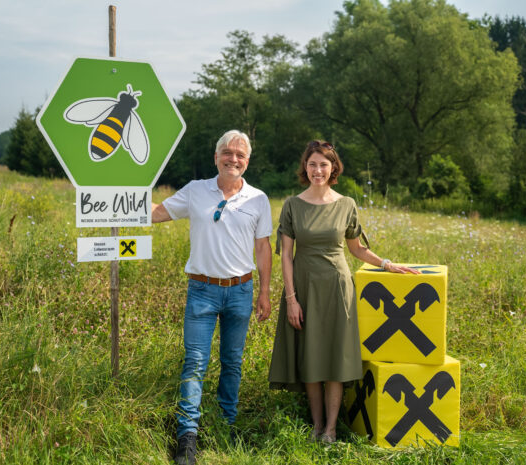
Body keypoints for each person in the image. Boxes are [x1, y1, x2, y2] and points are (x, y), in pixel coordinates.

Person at [268, 140, 419, 443]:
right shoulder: (292, 205)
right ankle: (315, 424)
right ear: (305, 168)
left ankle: (332, 428)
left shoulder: (347, 203)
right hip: (304, 289)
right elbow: (286, 254)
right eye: (312, 164)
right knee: (310, 356)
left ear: (333, 168)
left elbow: (356, 249)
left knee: (334, 358)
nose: (318, 170)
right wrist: (291, 298)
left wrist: (386, 264)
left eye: (324, 164)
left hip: (338, 288)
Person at [152, 130, 272, 465]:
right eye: (227, 152)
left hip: (241, 291)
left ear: (247, 162)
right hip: (202, 291)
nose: (233, 159)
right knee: (195, 362)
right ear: (216, 156)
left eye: (240, 155)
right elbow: (159, 212)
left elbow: (263, 248)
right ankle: (187, 436)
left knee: (232, 363)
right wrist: (115, 204)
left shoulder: (258, 199)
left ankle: (225, 424)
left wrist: (264, 292)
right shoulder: (195, 190)